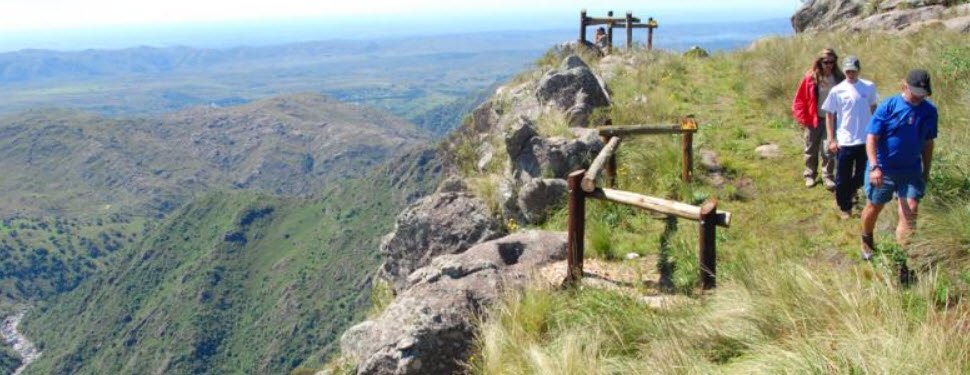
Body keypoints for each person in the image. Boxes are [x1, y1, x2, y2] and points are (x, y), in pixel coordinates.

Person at [860, 69, 937, 283]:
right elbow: (872, 137)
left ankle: (900, 262)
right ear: (905, 86)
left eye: (923, 94)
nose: (919, 98)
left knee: (910, 211)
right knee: (874, 206)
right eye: (916, 93)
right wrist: (874, 167)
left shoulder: (930, 111)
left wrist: (926, 171)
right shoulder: (888, 106)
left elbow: (928, 142)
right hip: (883, 169)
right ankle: (866, 239)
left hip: (911, 170)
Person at [821, 55, 879, 220]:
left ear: (858, 70)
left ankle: (849, 191)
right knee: (842, 178)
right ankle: (845, 207)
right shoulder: (837, 90)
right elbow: (830, 115)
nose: (850, 74)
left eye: (853, 71)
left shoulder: (869, 86)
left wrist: (877, 133)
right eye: (847, 71)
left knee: (862, 176)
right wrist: (831, 139)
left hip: (865, 140)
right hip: (845, 141)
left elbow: (874, 109)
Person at [792, 48, 845, 189]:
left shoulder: (839, 78)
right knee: (811, 148)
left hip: (832, 119)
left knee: (829, 149)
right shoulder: (811, 77)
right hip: (813, 119)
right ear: (819, 62)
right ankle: (810, 175)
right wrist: (801, 119)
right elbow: (800, 99)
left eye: (832, 62)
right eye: (826, 62)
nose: (829, 65)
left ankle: (828, 177)